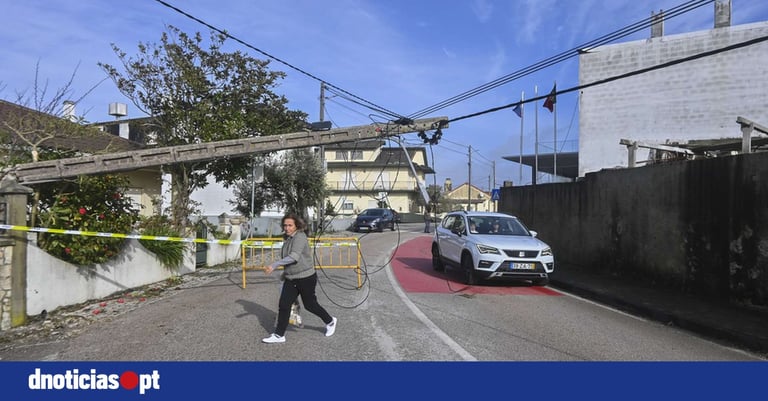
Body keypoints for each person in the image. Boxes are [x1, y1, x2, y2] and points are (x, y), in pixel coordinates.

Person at [262, 213, 337, 344]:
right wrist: (285, 273)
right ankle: (279, 335)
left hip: (306, 277)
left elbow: (294, 257)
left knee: (310, 305)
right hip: (291, 278)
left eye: (290, 225)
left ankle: (330, 321)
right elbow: (289, 261)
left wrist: (274, 265)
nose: (287, 228)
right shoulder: (288, 239)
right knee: (284, 305)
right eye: (285, 225)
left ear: (297, 225)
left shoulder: (300, 237)